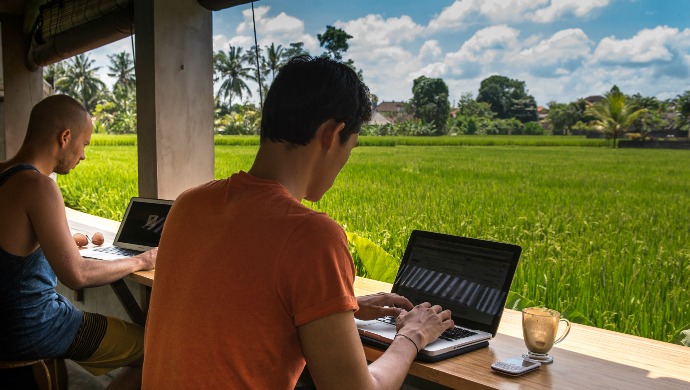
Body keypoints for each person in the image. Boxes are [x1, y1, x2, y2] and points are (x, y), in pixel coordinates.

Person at [142, 55, 454, 389]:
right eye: (352, 146)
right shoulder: (312, 235)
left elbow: (236, 305)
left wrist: (338, 308)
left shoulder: (189, 204)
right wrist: (412, 335)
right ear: (332, 135)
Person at [0, 95, 157, 389]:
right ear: (65, 137)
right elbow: (77, 276)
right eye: (84, 144)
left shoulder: (5, 174)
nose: (83, 155)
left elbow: (13, 244)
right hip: (33, 327)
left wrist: (64, 242)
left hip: (6, 322)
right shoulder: (39, 185)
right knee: (154, 350)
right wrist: (142, 260)